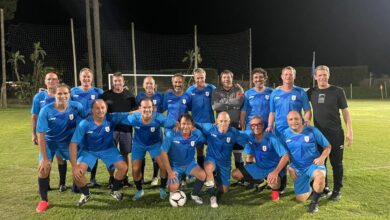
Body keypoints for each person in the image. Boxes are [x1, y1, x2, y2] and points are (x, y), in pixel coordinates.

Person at [35, 84, 84, 213]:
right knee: (43, 169)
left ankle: (79, 188)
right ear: (54, 95)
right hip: (50, 143)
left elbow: (85, 122)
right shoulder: (46, 110)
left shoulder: (76, 107)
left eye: (65, 94)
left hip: (68, 143)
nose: (63, 96)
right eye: (59, 94)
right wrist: (45, 159)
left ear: (69, 95)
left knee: (80, 168)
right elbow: (41, 135)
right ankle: (43, 201)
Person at [69, 99, 128, 206]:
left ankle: (114, 191)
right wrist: (74, 166)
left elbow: (128, 114)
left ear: (106, 109)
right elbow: (73, 144)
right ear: (92, 110)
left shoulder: (111, 118)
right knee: (77, 174)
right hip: (89, 151)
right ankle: (86, 194)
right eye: (97, 108)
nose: (100, 110)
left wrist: (143, 110)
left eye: (102, 108)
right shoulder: (85, 123)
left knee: (123, 168)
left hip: (108, 149)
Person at [307, 65, 353, 201]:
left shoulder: (338, 91)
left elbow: (345, 112)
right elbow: (296, 94)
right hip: (319, 135)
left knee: (336, 163)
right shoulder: (311, 92)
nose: (322, 77)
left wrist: (350, 131)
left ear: (328, 75)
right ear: (315, 77)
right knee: (320, 162)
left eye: (324, 74)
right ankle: (323, 187)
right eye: (319, 75)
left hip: (335, 134)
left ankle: (337, 190)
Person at [121, 98, 177, 201]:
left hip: (155, 144)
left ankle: (162, 188)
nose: (147, 110)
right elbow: (119, 118)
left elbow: (172, 123)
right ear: (140, 109)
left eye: (149, 107)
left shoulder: (158, 118)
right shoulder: (134, 118)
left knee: (163, 167)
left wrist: (177, 125)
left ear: (153, 108)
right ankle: (139, 190)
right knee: (136, 169)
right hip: (138, 145)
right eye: (144, 107)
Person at [267, 66, 311, 192]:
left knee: (299, 157)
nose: (288, 77)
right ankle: (281, 186)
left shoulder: (300, 92)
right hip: (280, 131)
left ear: (294, 76)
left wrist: (307, 119)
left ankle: (304, 185)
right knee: (281, 157)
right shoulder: (275, 93)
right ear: (282, 76)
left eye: (290, 74)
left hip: (296, 131)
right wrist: (270, 126)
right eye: (286, 74)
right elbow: (272, 112)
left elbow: (307, 110)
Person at [232, 116, 289, 202]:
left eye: (259, 124)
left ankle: (276, 190)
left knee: (274, 186)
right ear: (250, 126)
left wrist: (275, 172)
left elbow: (286, 156)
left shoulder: (271, 138)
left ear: (263, 126)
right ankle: (261, 180)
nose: (256, 127)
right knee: (235, 174)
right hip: (259, 167)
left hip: (273, 168)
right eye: (253, 125)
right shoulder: (249, 135)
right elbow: (235, 133)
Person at [196, 112, 247, 208]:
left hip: (225, 164)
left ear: (229, 122)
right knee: (208, 167)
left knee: (224, 190)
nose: (223, 123)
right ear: (216, 122)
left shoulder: (233, 132)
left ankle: (214, 178)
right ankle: (212, 197)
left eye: (226, 121)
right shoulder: (210, 128)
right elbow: (196, 123)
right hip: (211, 159)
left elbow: (246, 138)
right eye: (221, 121)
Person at [284, 111, 331, 213]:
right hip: (298, 168)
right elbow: (284, 154)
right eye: (290, 119)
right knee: (301, 199)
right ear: (287, 121)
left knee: (320, 176)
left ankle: (314, 203)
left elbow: (327, 146)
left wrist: (322, 158)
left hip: (313, 165)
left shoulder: (312, 130)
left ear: (302, 119)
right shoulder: (285, 133)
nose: (294, 122)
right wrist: (289, 167)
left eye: (296, 118)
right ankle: (311, 185)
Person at [31, 70, 68, 192]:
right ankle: (45, 185)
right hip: (45, 136)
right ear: (45, 82)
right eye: (49, 79)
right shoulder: (39, 97)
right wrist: (33, 134)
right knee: (45, 160)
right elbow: (34, 116)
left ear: (58, 81)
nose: (51, 81)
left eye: (54, 79)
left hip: (61, 134)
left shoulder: (63, 95)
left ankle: (62, 183)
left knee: (60, 158)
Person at [160, 114, 207, 205]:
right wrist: (170, 172)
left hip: (190, 164)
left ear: (192, 125)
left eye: (188, 124)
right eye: (183, 123)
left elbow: (206, 140)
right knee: (173, 187)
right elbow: (163, 153)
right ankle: (175, 189)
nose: (185, 126)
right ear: (179, 124)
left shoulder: (197, 134)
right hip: (175, 166)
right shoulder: (171, 134)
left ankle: (194, 194)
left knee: (203, 175)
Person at [102, 72, 136, 188]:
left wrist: (130, 113)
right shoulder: (105, 95)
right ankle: (111, 178)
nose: (117, 83)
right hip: (110, 130)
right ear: (113, 82)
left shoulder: (129, 95)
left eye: (119, 81)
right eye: (115, 81)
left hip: (126, 129)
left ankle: (124, 178)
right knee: (110, 153)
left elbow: (136, 111)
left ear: (123, 81)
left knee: (125, 153)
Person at [71, 68, 103, 188]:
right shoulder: (72, 92)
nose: (86, 79)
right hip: (77, 130)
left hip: (93, 129)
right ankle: (76, 182)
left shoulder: (98, 92)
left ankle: (93, 179)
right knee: (78, 155)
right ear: (80, 78)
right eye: (84, 76)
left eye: (88, 77)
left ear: (92, 78)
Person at [212, 70, 245, 174]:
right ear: (221, 79)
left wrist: (223, 103)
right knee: (222, 152)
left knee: (238, 153)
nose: (226, 79)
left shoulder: (238, 88)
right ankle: (220, 175)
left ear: (232, 77)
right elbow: (215, 106)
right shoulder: (216, 91)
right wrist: (232, 103)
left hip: (235, 125)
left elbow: (239, 102)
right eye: (224, 77)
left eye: (228, 77)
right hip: (222, 127)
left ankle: (241, 176)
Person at [136, 76, 165, 186]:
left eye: (151, 83)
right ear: (144, 85)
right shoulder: (139, 96)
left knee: (156, 156)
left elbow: (163, 109)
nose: (149, 85)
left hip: (156, 131)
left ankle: (155, 177)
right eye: (147, 83)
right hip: (142, 130)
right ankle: (141, 177)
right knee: (141, 155)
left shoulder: (160, 96)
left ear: (154, 85)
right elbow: (136, 110)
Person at [186, 68, 216, 169]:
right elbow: (186, 107)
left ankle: (212, 171)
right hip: (196, 124)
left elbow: (220, 101)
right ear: (194, 78)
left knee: (212, 147)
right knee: (199, 148)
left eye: (202, 78)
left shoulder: (211, 88)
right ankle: (201, 170)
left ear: (205, 77)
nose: (200, 80)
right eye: (197, 78)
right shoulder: (190, 90)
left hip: (210, 123)